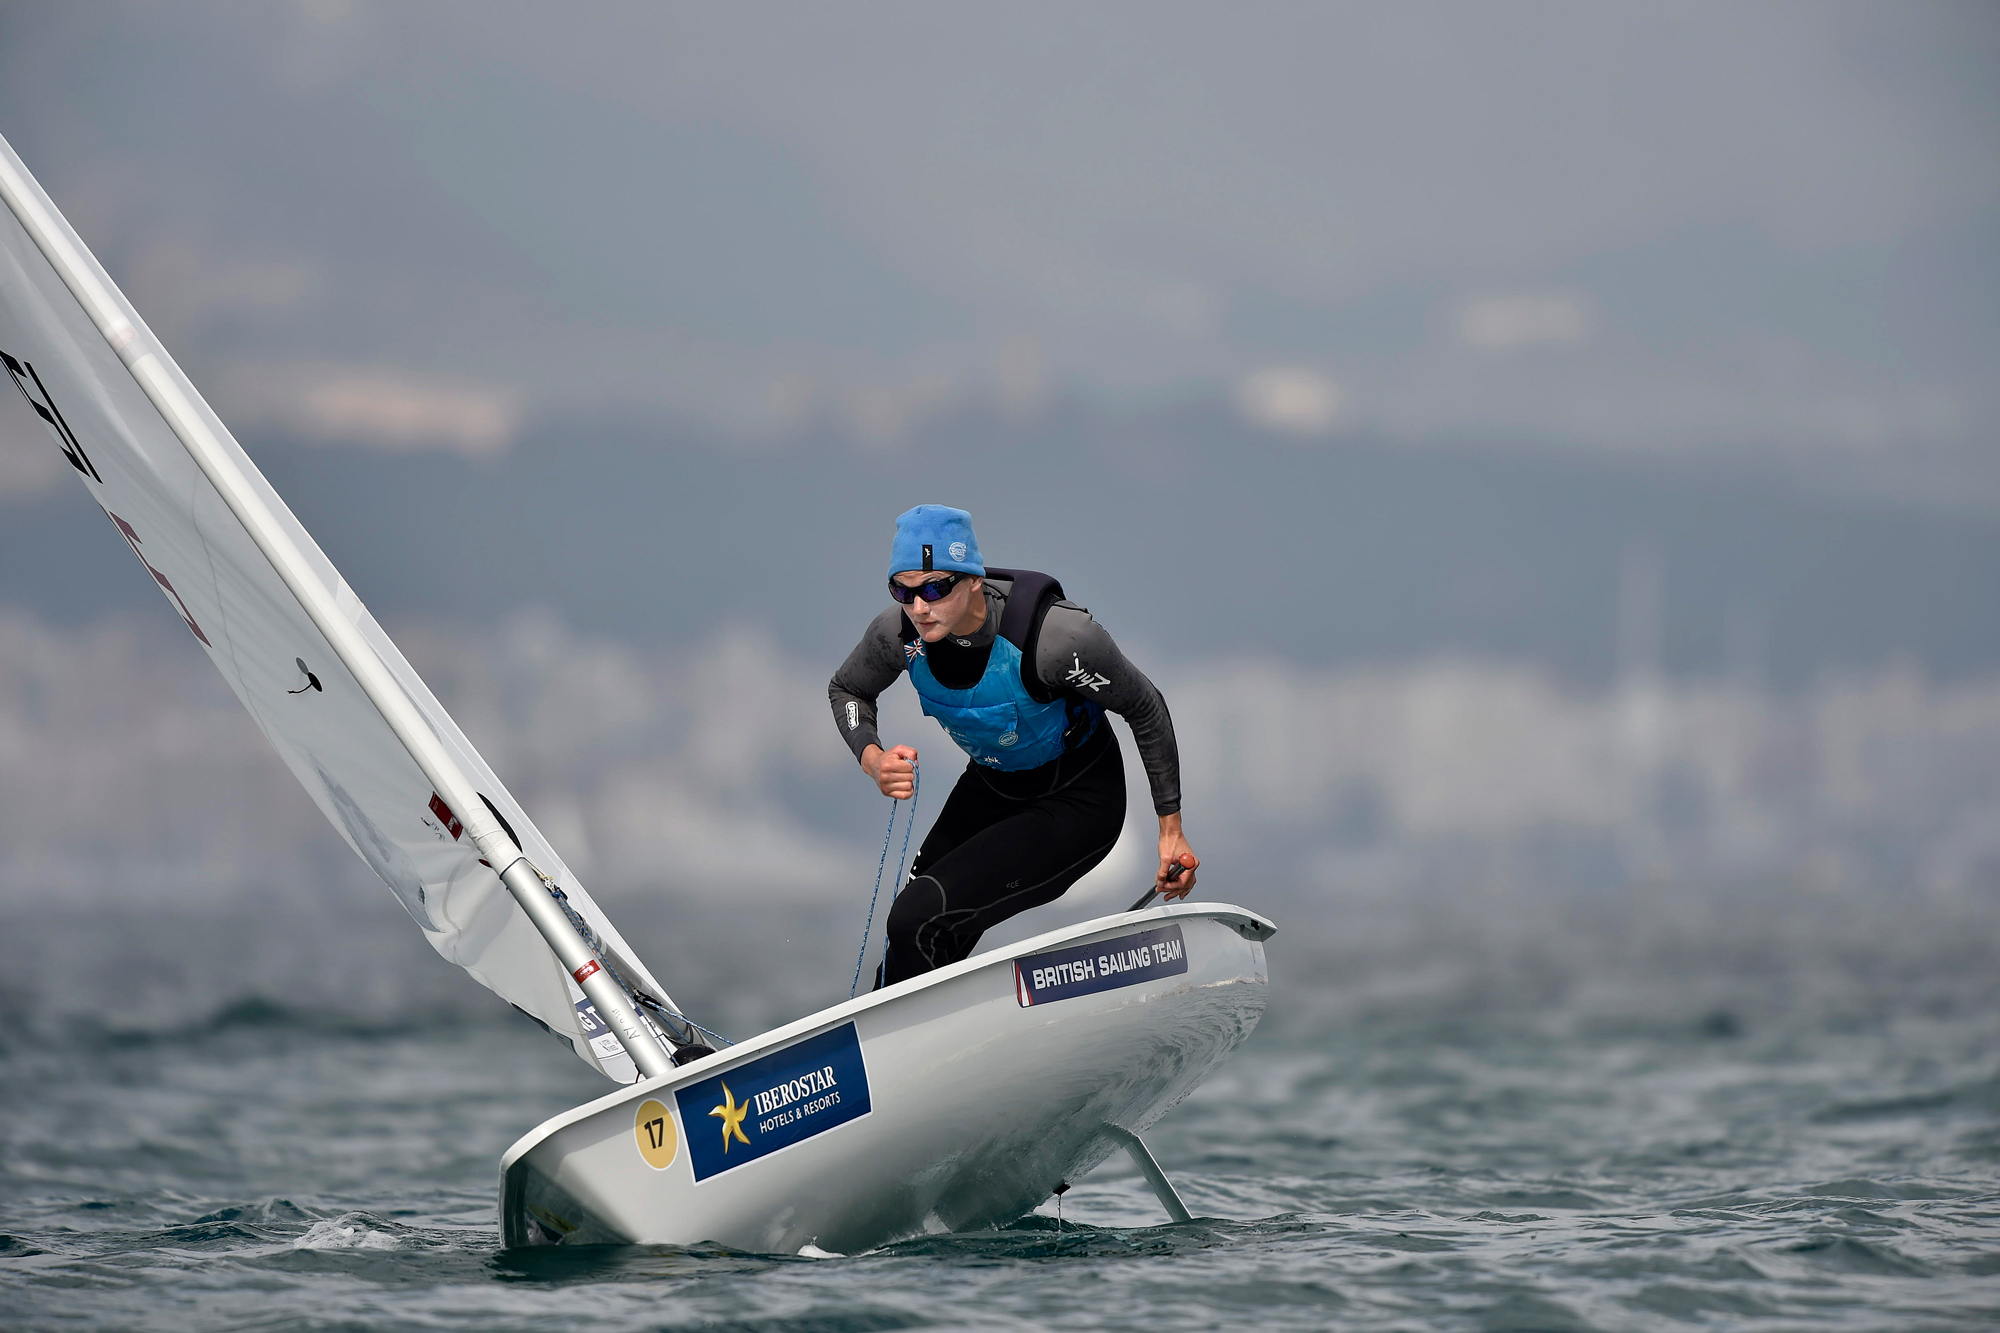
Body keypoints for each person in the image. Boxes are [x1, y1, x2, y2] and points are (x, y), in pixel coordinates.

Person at [829, 504, 1197, 988]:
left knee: (914, 918)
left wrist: (1170, 829)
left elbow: (1145, 706)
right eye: (904, 590)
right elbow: (849, 690)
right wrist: (872, 759)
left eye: (936, 588)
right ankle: (891, 1045)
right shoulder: (896, 636)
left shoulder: (1057, 640)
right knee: (918, 929)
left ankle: (915, 1048)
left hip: (1078, 799)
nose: (919, 607)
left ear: (974, 580)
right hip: (992, 787)